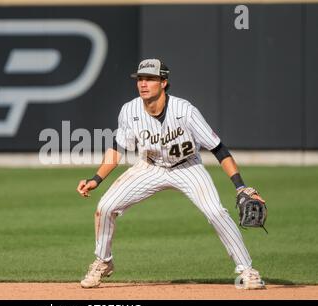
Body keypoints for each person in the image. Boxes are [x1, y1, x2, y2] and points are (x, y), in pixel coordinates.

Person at [76, 58, 266, 290]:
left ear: (164, 82)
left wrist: (239, 186)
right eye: (140, 79)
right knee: (105, 207)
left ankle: (247, 269)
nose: (143, 84)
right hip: (149, 167)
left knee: (216, 212)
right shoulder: (129, 111)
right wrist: (96, 179)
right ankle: (103, 262)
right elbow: (117, 150)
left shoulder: (185, 111)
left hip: (188, 167)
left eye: (150, 79)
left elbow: (218, 149)